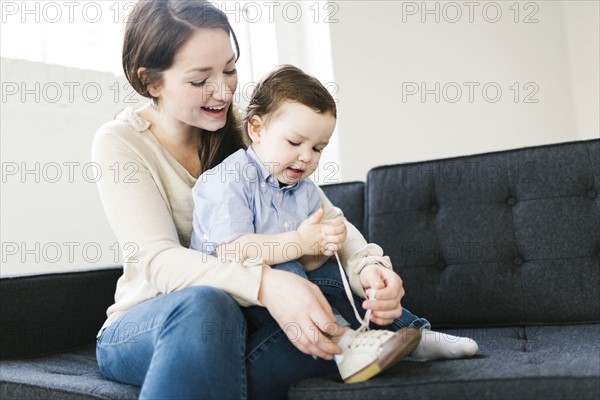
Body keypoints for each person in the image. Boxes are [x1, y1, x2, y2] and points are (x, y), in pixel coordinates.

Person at [92, 1, 477, 399]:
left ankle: (392, 339)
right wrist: (267, 286)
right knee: (207, 304)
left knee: (310, 309)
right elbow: (160, 262)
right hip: (148, 323)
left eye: (230, 69)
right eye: (199, 80)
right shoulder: (121, 142)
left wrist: (370, 267)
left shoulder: (247, 131)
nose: (223, 91)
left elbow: (325, 216)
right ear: (152, 82)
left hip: (240, 319)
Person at [190, 64, 424, 384]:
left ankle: (418, 337)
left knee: (330, 271)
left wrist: (327, 245)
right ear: (257, 129)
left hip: (283, 299)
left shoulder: (303, 190)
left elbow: (313, 257)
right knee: (283, 265)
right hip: (236, 297)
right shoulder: (227, 180)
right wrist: (301, 243)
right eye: (295, 142)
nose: (306, 158)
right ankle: (345, 343)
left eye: (317, 149)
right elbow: (235, 251)